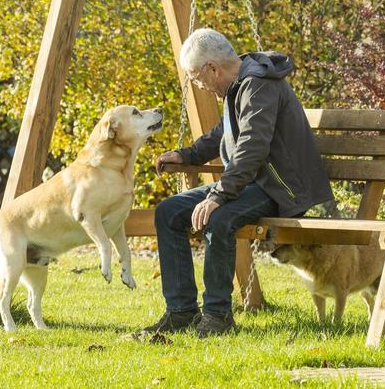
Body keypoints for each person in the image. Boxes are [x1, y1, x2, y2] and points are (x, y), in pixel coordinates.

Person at [140, 28, 334, 338]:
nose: (200, 86)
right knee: (169, 212)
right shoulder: (240, 85)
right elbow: (224, 132)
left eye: (197, 78)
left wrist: (218, 195)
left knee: (219, 217)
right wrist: (187, 154)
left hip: (280, 188)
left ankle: (217, 317)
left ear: (212, 68)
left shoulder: (259, 85)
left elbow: (252, 148)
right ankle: (181, 312)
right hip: (250, 183)